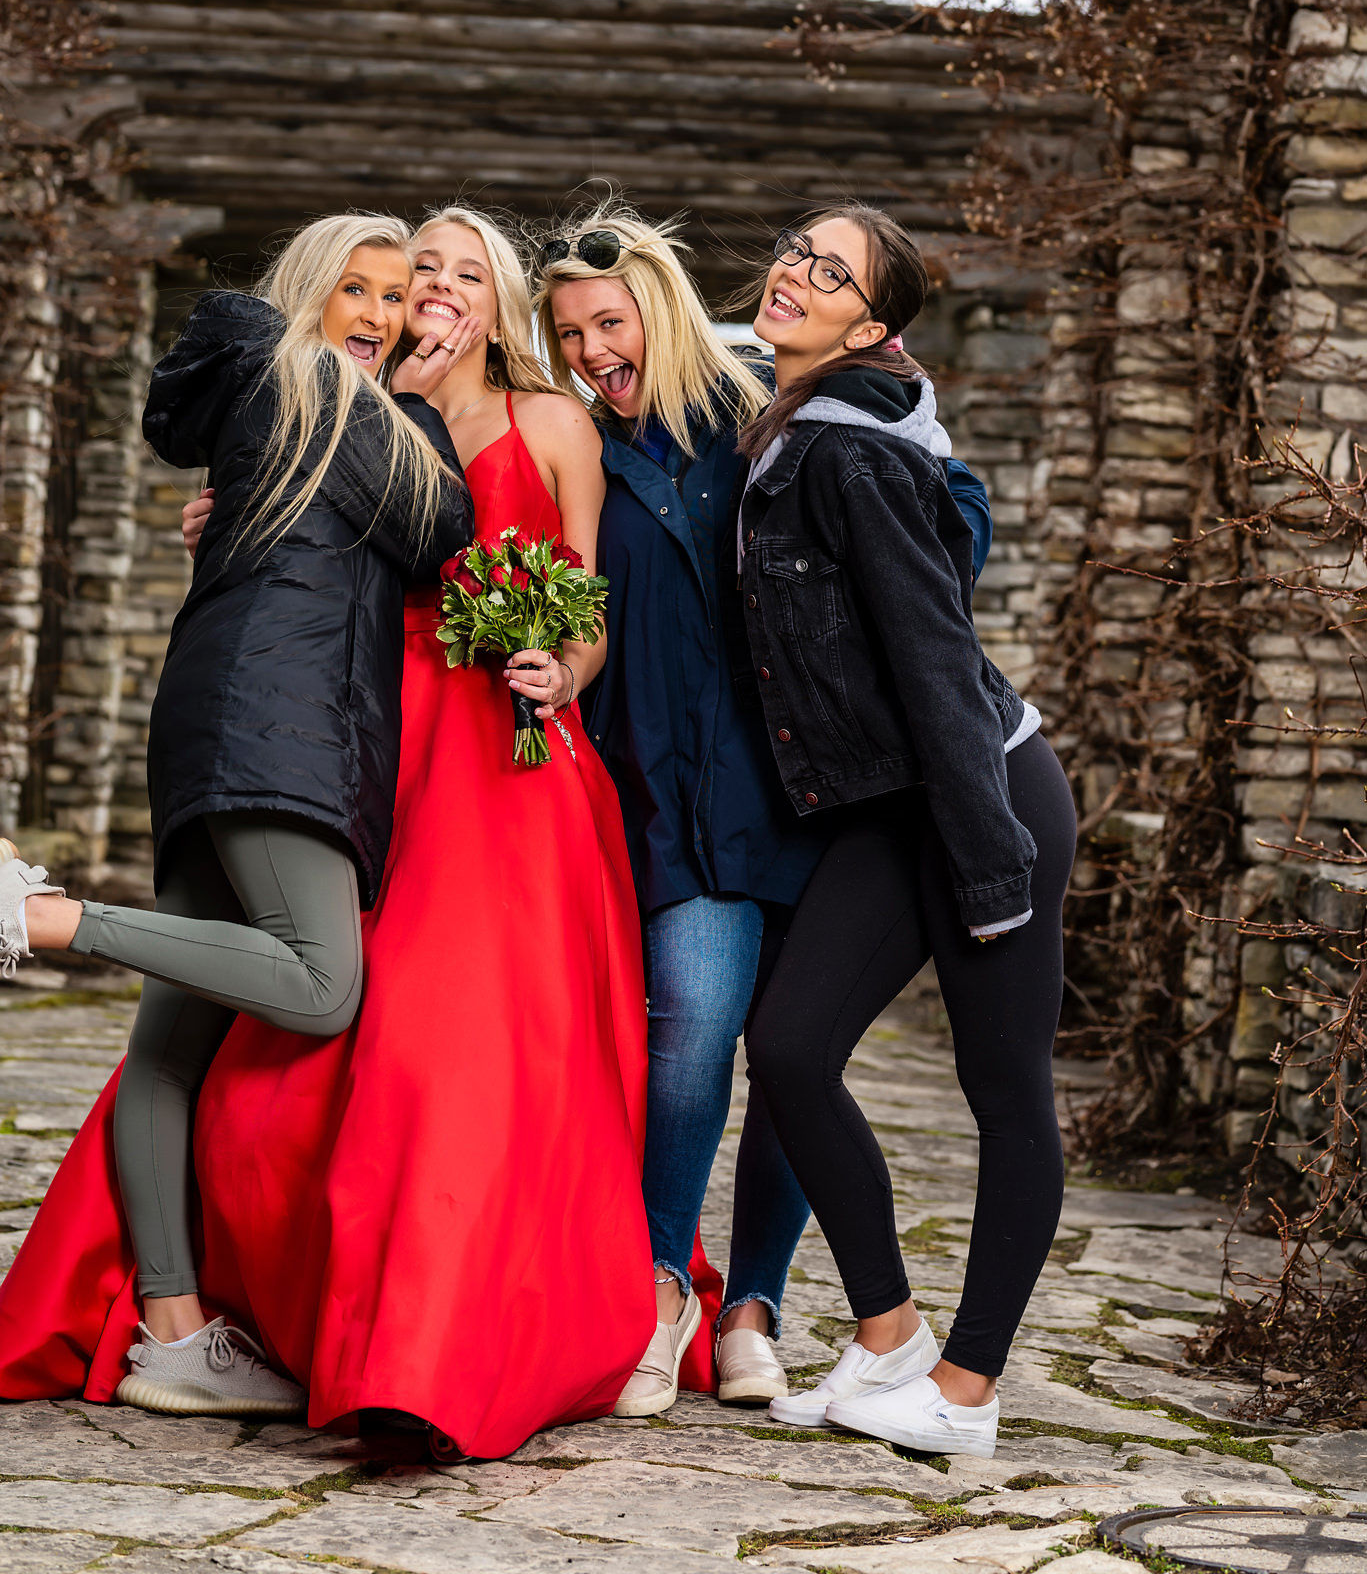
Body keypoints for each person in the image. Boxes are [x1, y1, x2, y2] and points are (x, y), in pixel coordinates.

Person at [0, 201, 658, 1461]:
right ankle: (285, 1309)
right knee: (319, 1002)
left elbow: (575, 596)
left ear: (500, 303)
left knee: (433, 1042)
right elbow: (367, 506)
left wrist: (561, 670)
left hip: (448, 742)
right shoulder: (338, 398)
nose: (433, 291)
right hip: (342, 730)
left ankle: (214, 1329)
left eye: (466, 274)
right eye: (418, 274)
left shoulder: (537, 419)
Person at [0, 212, 474, 1416]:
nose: (375, 315)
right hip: (282, 719)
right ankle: (52, 919)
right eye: (352, 288)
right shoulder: (316, 385)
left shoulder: (301, 412)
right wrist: (411, 400)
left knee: (172, 1043)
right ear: (307, 293)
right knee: (322, 981)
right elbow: (445, 532)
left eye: (393, 294)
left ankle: (170, 1324)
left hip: (227, 709)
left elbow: (409, 539)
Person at [533, 200, 996, 1420]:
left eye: (607, 323)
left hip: (804, 785)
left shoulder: (763, 413)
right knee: (687, 1025)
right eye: (568, 333)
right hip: (668, 787)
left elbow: (948, 497)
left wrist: (907, 599)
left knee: (794, 1053)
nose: (589, 351)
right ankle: (657, 1285)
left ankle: (756, 1301)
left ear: (658, 312)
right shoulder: (574, 450)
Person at [732, 205, 1076, 1460]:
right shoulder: (791, 426)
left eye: (832, 274)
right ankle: (885, 1338)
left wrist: (989, 860)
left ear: (868, 325)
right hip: (892, 803)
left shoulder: (851, 454)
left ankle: (964, 1390)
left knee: (1003, 1094)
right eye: (794, 250)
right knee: (789, 1042)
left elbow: (935, 658)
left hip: (980, 788)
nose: (795, 274)